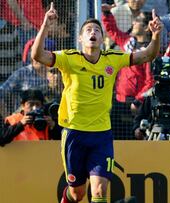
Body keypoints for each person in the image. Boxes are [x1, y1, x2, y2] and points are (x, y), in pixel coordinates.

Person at [31, 2, 162, 203]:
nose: (93, 32)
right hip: (74, 132)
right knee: (77, 194)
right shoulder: (69, 59)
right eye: (88, 30)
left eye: (97, 30)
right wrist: (45, 26)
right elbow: (37, 55)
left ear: (102, 38)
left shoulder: (113, 58)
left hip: (101, 135)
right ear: (80, 38)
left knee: (99, 191)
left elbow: (148, 55)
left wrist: (155, 36)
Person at [102, 4, 154, 139]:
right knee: (115, 138)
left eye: (138, 21)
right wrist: (107, 14)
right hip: (119, 100)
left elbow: (150, 81)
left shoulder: (149, 52)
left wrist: (138, 101)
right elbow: (112, 30)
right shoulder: (127, 42)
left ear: (147, 27)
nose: (134, 23)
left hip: (137, 105)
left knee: (134, 138)